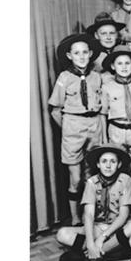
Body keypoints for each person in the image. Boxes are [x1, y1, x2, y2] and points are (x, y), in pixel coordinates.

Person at [50, 34, 107, 225]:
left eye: (85, 53)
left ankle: (90, 215)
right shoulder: (64, 78)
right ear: (69, 55)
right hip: (73, 127)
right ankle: (75, 218)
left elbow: (102, 106)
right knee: (75, 179)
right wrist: (69, 128)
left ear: (90, 54)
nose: (81, 57)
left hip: (94, 125)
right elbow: (55, 111)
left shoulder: (97, 77)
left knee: (92, 176)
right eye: (76, 53)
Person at [56, 145, 131, 261]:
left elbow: (123, 215)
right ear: (98, 164)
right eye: (104, 161)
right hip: (99, 226)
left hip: (118, 227)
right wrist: (90, 244)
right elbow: (89, 215)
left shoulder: (125, 180)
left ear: (119, 164)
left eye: (113, 161)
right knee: (62, 234)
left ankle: (89, 256)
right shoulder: (92, 182)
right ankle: (111, 251)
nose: (108, 166)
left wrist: (102, 238)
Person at [100, 50, 131, 157]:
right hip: (116, 132)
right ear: (113, 66)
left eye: (127, 63)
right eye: (119, 63)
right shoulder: (107, 87)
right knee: (117, 160)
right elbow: (102, 114)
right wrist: (104, 138)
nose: (124, 67)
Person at [86, 13, 131, 80]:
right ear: (96, 35)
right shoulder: (92, 55)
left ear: (116, 34)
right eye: (103, 34)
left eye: (112, 33)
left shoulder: (124, 50)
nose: (108, 37)